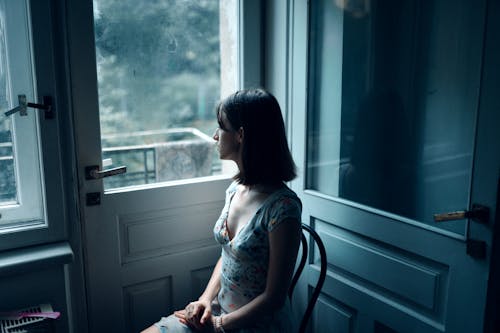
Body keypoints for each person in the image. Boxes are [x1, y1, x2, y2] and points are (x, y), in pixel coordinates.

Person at [141, 88, 302, 333]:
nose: (215, 136)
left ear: (240, 135)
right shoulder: (235, 189)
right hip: (219, 312)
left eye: (221, 127)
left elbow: (274, 298)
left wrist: (219, 325)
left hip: (257, 326)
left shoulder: (284, 209)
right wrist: (205, 300)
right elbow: (228, 255)